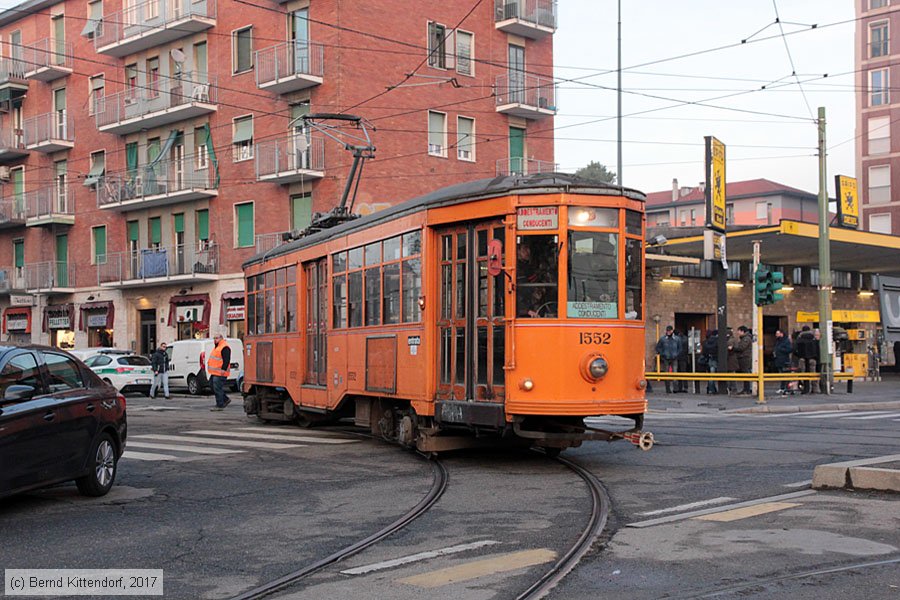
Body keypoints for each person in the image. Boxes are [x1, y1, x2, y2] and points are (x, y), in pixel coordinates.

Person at [208, 333, 232, 411]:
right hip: (215, 372)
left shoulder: (224, 347)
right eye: (214, 338)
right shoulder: (217, 347)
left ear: (221, 338)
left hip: (220, 372)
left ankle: (220, 405)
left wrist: (223, 369)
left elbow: (226, 360)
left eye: (216, 338)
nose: (215, 340)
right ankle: (225, 399)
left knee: (217, 388)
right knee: (212, 386)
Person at [656, 325, 680, 393]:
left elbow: (680, 348)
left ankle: (675, 389)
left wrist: (677, 354)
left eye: (669, 331)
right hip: (666, 358)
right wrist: (662, 354)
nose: (668, 332)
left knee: (675, 373)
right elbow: (658, 347)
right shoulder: (663, 339)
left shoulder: (677, 339)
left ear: (672, 331)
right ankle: (668, 389)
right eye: (667, 331)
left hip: (674, 358)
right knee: (666, 374)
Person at [794, 326, 817, 394]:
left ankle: (805, 389)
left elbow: (795, 349)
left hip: (802, 359)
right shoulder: (813, 338)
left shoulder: (799, 339)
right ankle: (814, 389)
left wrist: (799, 356)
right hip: (812, 359)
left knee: (803, 374)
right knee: (813, 374)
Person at [734, 326, 753, 395]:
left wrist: (734, 348)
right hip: (743, 357)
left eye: (738, 331)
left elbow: (741, 347)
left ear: (742, 331)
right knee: (745, 374)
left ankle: (747, 389)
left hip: (745, 358)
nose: (737, 333)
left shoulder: (746, 339)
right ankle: (746, 389)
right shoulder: (744, 338)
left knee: (746, 373)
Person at [773, 329, 793, 395]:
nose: (776, 335)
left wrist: (780, 350)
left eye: (777, 333)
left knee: (786, 375)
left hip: (784, 360)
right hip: (778, 360)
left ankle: (787, 388)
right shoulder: (778, 341)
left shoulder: (786, 341)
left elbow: (789, 349)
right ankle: (782, 388)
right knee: (781, 375)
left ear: (781, 334)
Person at [701, 329, 719, 394]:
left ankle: (710, 389)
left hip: (709, 359)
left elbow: (704, 352)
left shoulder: (706, 342)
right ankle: (712, 389)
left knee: (710, 375)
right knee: (712, 375)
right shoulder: (717, 341)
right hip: (715, 359)